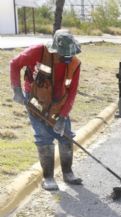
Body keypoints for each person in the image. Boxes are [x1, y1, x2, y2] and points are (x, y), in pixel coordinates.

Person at [10, 29, 83, 191]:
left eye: (70, 55)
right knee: (43, 137)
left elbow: (72, 93)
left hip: (59, 103)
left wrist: (63, 117)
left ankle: (68, 173)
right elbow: (14, 64)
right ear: (55, 49)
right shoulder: (38, 51)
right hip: (37, 99)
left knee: (66, 136)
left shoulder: (75, 64)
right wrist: (17, 90)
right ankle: (48, 177)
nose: (67, 59)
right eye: (64, 55)